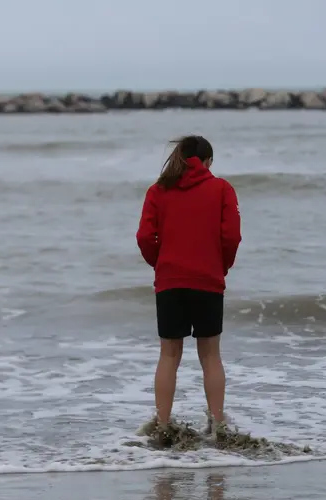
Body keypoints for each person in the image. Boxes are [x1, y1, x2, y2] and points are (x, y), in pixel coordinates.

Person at [136, 135, 242, 440]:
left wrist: (161, 264)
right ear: (207, 161)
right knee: (210, 355)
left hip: (169, 281)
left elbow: (144, 237)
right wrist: (220, 267)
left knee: (169, 355)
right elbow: (231, 237)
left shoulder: (158, 191)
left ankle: (163, 425)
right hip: (208, 279)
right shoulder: (222, 189)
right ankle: (218, 426)